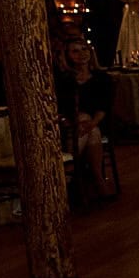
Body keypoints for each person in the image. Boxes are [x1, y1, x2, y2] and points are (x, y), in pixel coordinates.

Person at [54, 38, 116, 203]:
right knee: (87, 124)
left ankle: (72, 170)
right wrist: (73, 120)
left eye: (84, 49)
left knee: (91, 126)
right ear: (67, 55)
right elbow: (60, 106)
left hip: (95, 123)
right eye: (75, 51)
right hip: (69, 126)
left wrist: (92, 122)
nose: (82, 54)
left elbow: (104, 106)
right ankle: (98, 181)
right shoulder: (64, 80)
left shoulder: (101, 78)